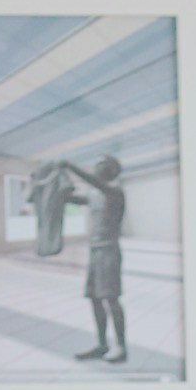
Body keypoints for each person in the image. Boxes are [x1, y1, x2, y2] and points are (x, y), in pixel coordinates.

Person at [63, 152, 127, 362]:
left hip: (109, 251)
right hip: (95, 251)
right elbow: (73, 199)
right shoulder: (95, 194)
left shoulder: (114, 192)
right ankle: (102, 344)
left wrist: (70, 166)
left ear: (111, 170)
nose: (96, 168)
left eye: (100, 165)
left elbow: (93, 182)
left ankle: (121, 348)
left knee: (111, 299)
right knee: (94, 298)